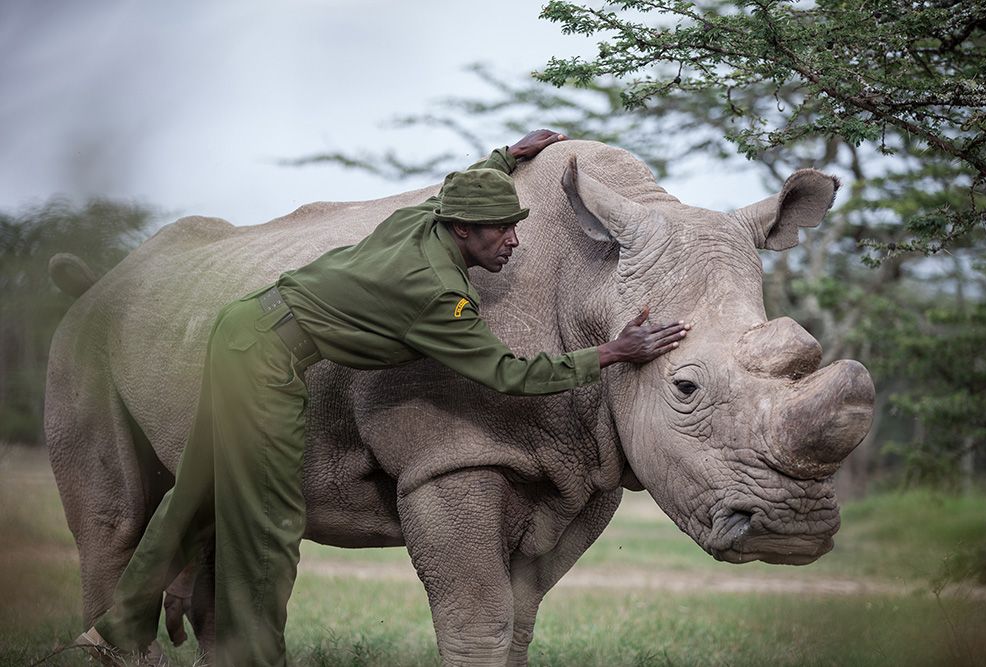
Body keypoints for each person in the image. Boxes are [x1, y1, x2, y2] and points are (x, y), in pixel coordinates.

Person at [75, 130, 690, 666]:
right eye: (501, 230)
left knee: (198, 493)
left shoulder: (418, 222)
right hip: (264, 364)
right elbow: (508, 373)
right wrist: (614, 351)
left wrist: (508, 156)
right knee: (269, 523)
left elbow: (455, 185)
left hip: (242, 327)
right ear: (464, 230)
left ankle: (116, 630)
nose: (513, 242)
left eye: (515, 226)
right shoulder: (438, 293)